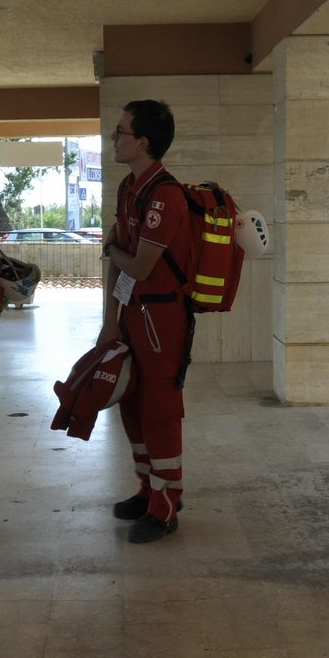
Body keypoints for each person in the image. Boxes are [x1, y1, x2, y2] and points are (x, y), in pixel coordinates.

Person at [100, 100, 194, 544]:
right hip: (134, 313)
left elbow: (135, 265)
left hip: (161, 317)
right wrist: (109, 323)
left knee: (159, 411)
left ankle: (166, 504)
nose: (113, 139)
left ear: (143, 142)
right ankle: (146, 490)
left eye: (120, 132)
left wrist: (110, 250)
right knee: (131, 405)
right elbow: (121, 262)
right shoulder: (129, 187)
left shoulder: (166, 194)